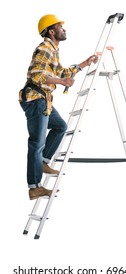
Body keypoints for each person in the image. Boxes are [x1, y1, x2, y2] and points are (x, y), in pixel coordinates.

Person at [19, 14, 98, 200]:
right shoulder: (45, 47)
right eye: (60, 27)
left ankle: (44, 162)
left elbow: (61, 71)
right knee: (36, 143)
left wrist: (84, 64)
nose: (64, 29)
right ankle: (34, 187)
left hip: (43, 100)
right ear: (52, 31)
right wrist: (61, 81)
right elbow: (35, 75)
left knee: (60, 127)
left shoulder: (53, 50)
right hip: (35, 99)